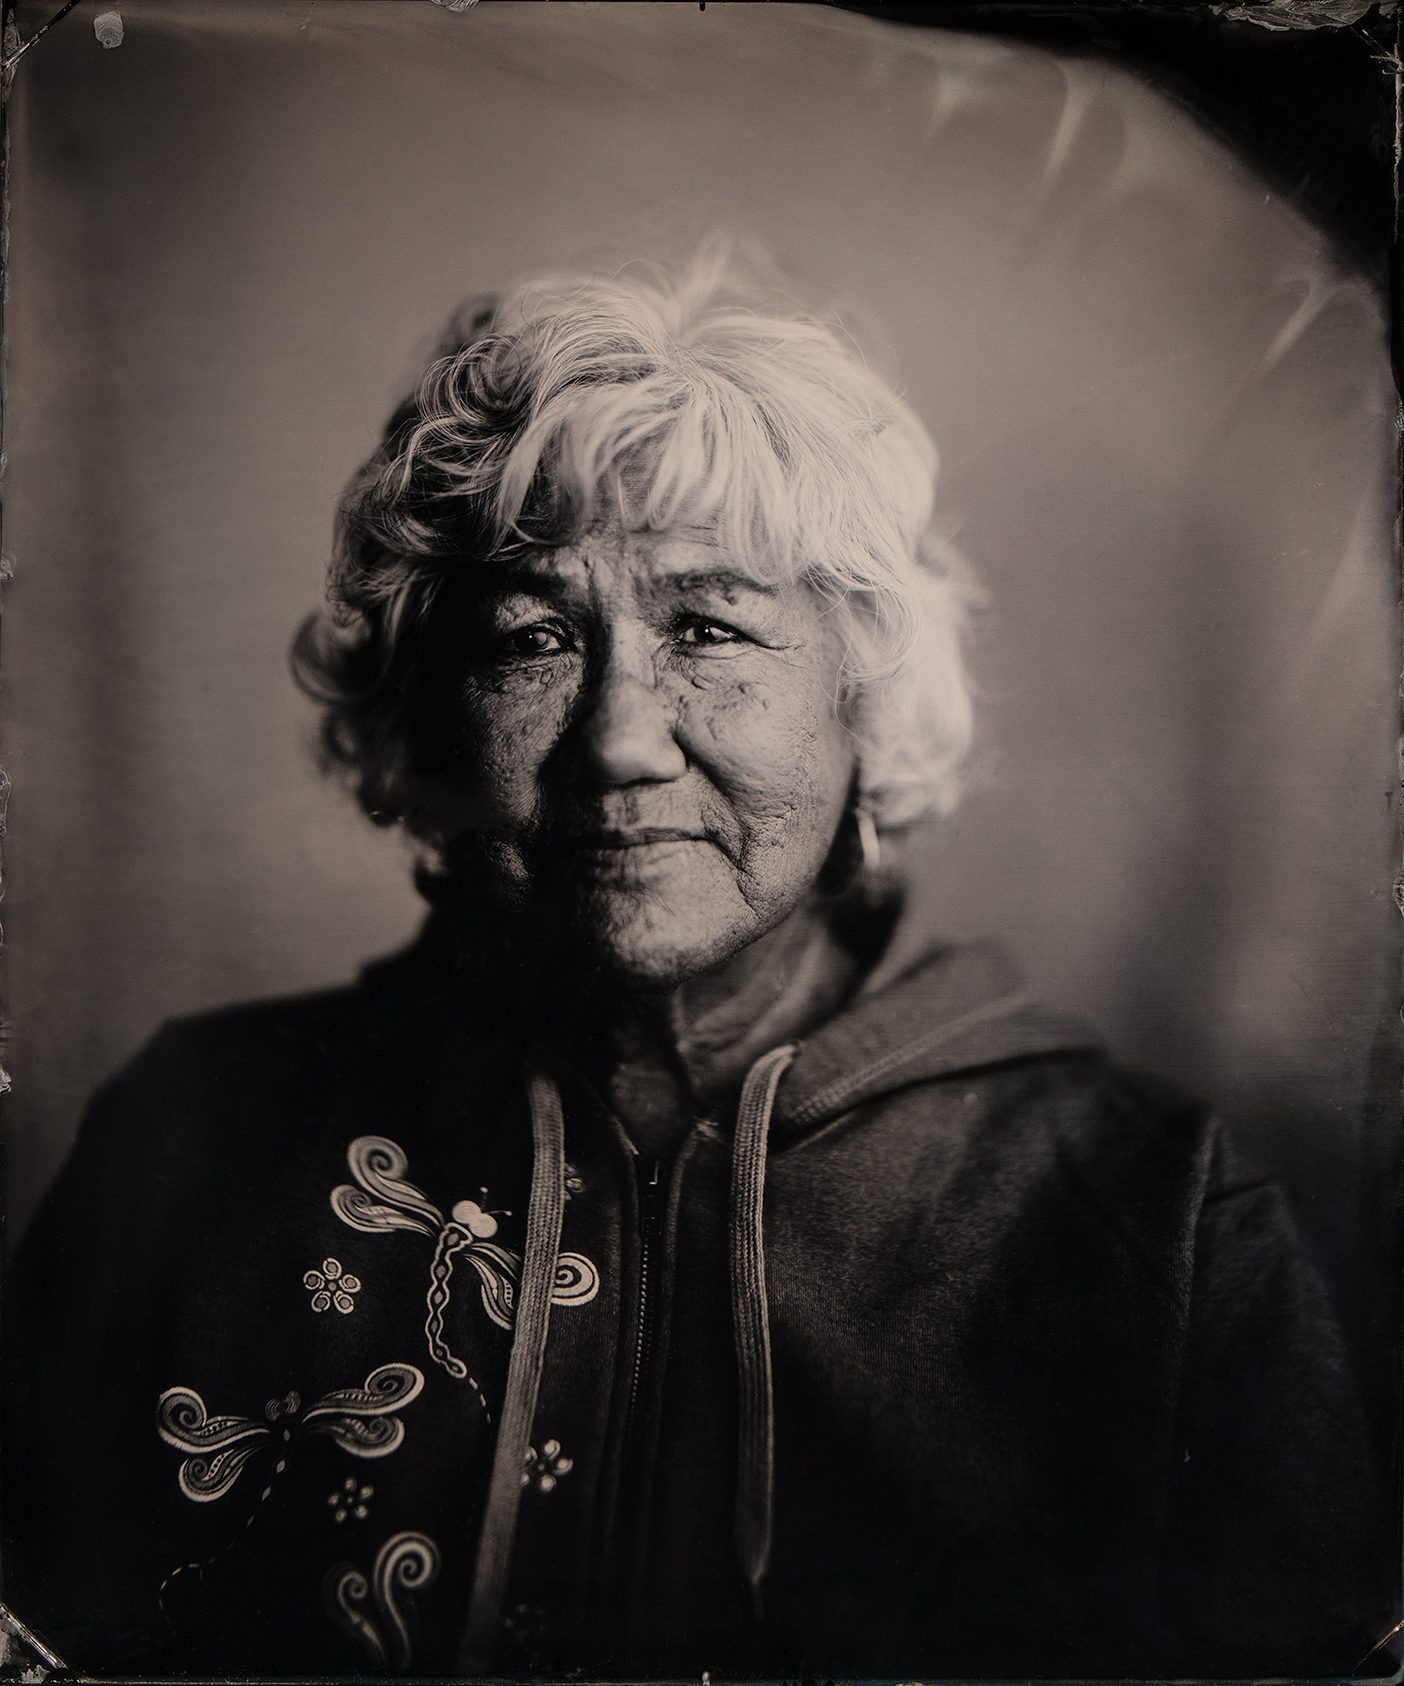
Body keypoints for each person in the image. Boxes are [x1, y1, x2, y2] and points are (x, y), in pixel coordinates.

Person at [2, 248, 1391, 1681]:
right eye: (532, 636)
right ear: (418, 724)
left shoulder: (1155, 1216)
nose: (618, 739)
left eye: (712, 627)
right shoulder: (183, 1140)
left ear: (869, 704)